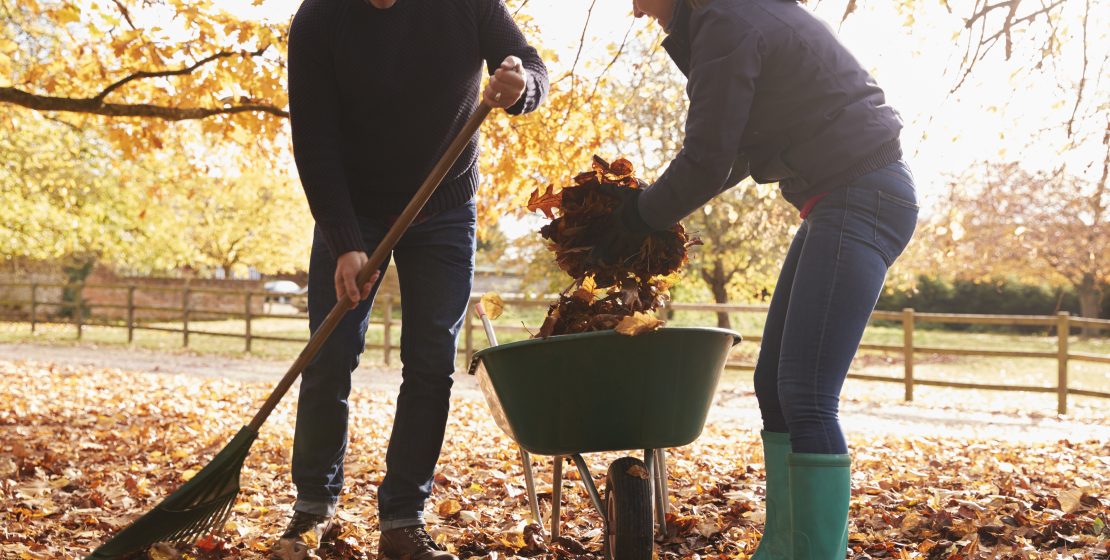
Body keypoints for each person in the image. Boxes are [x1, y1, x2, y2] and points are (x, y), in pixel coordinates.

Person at [606, 1, 919, 558]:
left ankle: (817, 553)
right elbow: (732, 155)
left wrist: (640, 215)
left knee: (807, 392)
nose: (632, 7)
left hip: (862, 193)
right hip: (842, 196)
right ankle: (785, 546)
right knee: (774, 384)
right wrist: (652, 208)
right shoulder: (729, 17)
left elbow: (707, 158)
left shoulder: (728, 22)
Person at [279, 0, 548, 558]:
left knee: (430, 363)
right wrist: (345, 241)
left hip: (444, 207)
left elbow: (529, 63)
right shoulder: (319, 18)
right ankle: (312, 509)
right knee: (329, 354)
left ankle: (403, 518)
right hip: (354, 208)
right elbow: (314, 139)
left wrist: (519, 87)